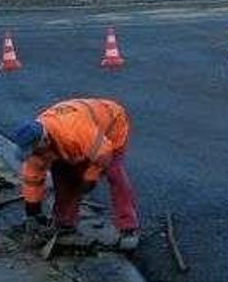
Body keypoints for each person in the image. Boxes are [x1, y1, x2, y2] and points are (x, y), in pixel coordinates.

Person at [11, 98, 140, 250]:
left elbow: (103, 155)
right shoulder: (36, 147)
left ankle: (128, 227)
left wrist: (89, 178)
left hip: (111, 125)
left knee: (114, 173)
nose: (33, 154)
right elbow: (32, 179)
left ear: (43, 141)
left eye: (34, 150)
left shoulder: (76, 130)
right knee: (63, 174)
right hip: (77, 142)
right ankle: (64, 223)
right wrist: (33, 213)